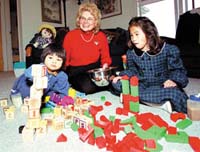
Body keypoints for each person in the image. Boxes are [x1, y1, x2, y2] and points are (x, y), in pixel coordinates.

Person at [111, 16, 189, 113]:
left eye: (137, 34)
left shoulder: (168, 49)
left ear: (149, 33)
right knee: (117, 84)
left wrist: (173, 80)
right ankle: (158, 102)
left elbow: (178, 70)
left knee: (176, 94)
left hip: (162, 85)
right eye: (131, 35)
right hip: (142, 84)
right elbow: (133, 70)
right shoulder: (131, 53)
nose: (134, 39)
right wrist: (123, 76)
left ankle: (135, 97)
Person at [63, 3, 112, 94]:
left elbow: (105, 57)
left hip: (95, 69)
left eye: (90, 19)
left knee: (110, 83)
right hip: (76, 71)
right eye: (83, 18)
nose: (86, 22)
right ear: (79, 20)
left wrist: (105, 66)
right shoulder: (70, 36)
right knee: (88, 88)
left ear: (95, 22)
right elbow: (65, 59)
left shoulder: (101, 36)